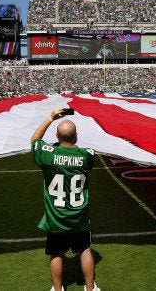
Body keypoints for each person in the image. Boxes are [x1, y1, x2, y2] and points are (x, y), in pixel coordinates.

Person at [30, 108, 100, 291]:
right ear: (76, 136)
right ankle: (90, 289)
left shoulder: (48, 154)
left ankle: (59, 289)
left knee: (56, 253)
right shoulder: (87, 155)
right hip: (79, 216)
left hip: (56, 217)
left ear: (56, 135)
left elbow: (34, 140)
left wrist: (51, 117)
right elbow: (82, 154)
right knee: (85, 251)